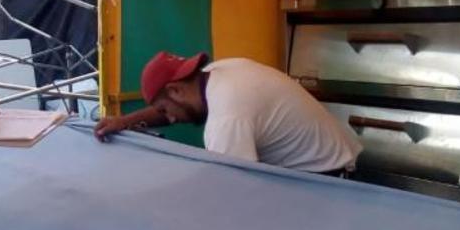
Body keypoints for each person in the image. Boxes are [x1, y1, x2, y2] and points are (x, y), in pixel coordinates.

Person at [95, 52, 362, 175]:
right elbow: (168, 112)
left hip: (327, 176)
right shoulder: (219, 72)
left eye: (166, 109)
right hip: (333, 152)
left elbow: (234, 191)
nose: (171, 118)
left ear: (176, 90)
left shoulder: (227, 119)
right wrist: (125, 122)